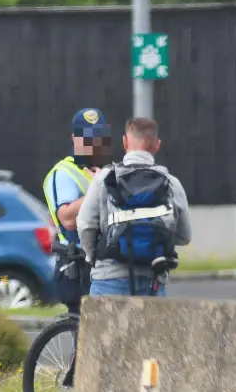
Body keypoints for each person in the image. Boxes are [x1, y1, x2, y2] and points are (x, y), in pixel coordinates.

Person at [77, 117, 191, 297]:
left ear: (124, 141)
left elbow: (85, 224)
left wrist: (93, 257)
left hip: (109, 278)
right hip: (152, 279)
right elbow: (184, 236)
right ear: (157, 145)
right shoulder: (171, 183)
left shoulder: (105, 178)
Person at [42, 107, 115, 313]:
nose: (93, 143)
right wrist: (97, 186)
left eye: (98, 137)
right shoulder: (64, 173)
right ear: (75, 138)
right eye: (87, 138)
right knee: (85, 334)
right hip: (77, 266)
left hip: (103, 263)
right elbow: (67, 219)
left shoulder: (105, 170)